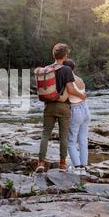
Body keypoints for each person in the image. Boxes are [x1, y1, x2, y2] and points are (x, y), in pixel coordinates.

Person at [36, 43, 88, 173]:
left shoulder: (47, 69)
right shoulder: (66, 69)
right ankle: (62, 164)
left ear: (53, 55)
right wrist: (81, 95)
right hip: (64, 107)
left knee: (45, 134)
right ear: (65, 56)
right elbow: (70, 89)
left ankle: (41, 163)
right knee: (64, 136)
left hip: (49, 105)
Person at [64, 60, 91, 176]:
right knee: (83, 139)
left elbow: (68, 94)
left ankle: (77, 167)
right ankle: (84, 165)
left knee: (70, 141)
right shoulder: (80, 79)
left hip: (75, 110)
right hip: (86, 109)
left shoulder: (68, 81)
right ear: (73, 68)